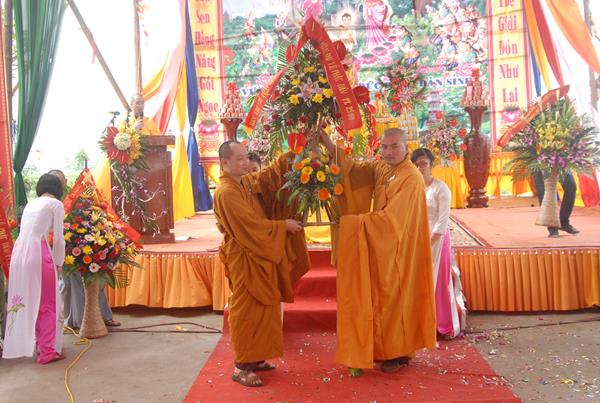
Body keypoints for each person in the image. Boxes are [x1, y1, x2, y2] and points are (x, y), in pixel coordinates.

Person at [320, 128, 436, 375]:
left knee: (395, 297)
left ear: (406, 147)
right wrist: (328, 145)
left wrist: (352, 223)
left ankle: (398, 352)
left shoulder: (410, 177)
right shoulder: (384, 168)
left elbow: (392, 221)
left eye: (394, 146)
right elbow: (354, 171)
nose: (388, 152)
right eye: (384, 146)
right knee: (382, 298)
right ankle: (386, 349)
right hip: (383, 246)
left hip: (400, 248)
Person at [213, 141, 305, 387]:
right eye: (239, 159)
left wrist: (296, 151)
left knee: (265, 307)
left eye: (246, 157)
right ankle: (242, 366)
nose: (245, 162)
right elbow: (250, 227)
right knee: (247, 311)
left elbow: (269, 176)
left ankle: (257, 357)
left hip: (259, 256)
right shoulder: (226, 192)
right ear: (224, 163)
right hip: (245, 257)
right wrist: (282, 226)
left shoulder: (243, 182)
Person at [2, 174, 66, 364]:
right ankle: (47, 351)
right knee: (48, 303)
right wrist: (59, 262)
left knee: (30, 300)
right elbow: (59, 238)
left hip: (19, 253)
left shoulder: (31, 204)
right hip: (38, 253)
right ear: (58, 188)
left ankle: (37, 345)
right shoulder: (56, 204)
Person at [48, 170, 120, 329]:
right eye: (56, 182)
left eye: (61, 181)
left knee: (95, 280)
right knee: (68, 284)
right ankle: (73, 320)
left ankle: (104, 317)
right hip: (63, 247)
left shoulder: (75, 195)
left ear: (66, 182)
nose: (60, 185)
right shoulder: (50, 200)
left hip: (83, 242)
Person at [411, 148, 466, 339]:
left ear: (431, 165)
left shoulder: (441, 188)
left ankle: (445, 325)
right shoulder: (413, 189)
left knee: (440, 282)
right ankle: (424, 325)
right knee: (420, 283)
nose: (421, 168)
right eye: (417, 165)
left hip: (438, 239)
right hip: (418, 240)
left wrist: (429, 243)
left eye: (424, 163)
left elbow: (442, 222)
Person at [532, 171, 579, 238]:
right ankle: (552, 227)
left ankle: (564, 222)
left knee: (571, 186)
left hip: (561, 164)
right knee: (545, 193)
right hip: (540, 166)